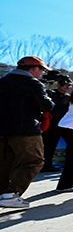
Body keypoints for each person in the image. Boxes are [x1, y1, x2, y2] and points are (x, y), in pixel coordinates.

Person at [0, 56, 55, 209]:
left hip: (2, 130)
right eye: (42, 70)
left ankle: (2, 193)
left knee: (5, 163)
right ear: (35, 69)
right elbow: (46, 106)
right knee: (33, 161)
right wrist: (48, 96)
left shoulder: (3, 81)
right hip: (25, 130)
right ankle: (11, 195)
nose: (42, 73)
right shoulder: (33, 84)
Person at [41, 75, 72, 172]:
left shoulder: (68, 97)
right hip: (51, 124)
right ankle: (45, 165)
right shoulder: (51, 95)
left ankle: (49, 164)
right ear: (59, 84)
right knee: (48, 145)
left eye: (69, 85)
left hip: (63, 124)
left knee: (54, 146)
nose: (67, 87)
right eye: (65, 84)